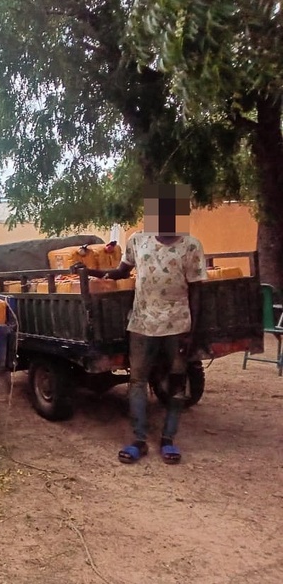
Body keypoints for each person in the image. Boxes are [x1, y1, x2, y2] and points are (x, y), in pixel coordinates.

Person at [75, 184, 206, 465]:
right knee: (137, 382)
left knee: (176, 381)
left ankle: (168, 440)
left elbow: (196, 290)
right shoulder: (138, 240)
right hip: (141, 324)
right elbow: (121, 272)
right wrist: (91, 272)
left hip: (178, 326)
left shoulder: (191, 246)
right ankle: (139, 440)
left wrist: (192, 332)